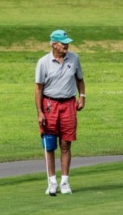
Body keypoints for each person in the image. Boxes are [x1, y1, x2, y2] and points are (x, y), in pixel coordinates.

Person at [34, 28, 85, 196]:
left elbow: (80, 79)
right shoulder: (43, 62)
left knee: (66, 143)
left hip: (69, 104)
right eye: (64, 44)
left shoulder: (74, 59)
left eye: (67, 44)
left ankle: (64, 182)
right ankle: (51, 182)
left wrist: (82, 96)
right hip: (50, 104)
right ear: (54, 45)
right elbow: (38, 88)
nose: (67, 47)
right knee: (49, 144)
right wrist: (40, 112)